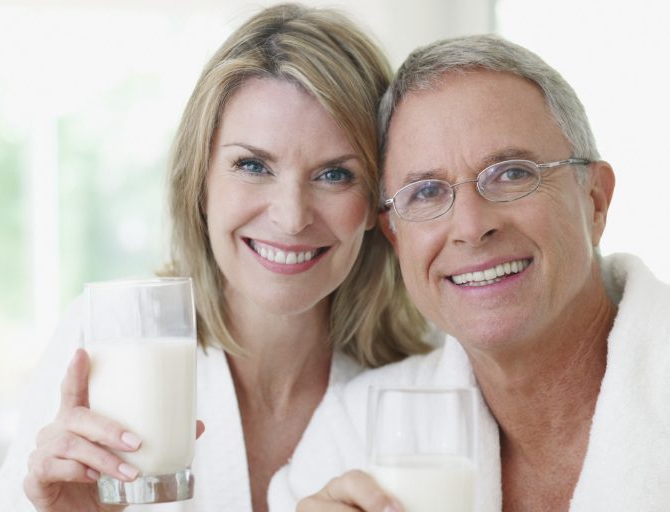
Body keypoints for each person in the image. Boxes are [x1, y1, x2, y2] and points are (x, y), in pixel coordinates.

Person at [0, 4, 433, 512]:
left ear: (377, 199)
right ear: (201, 180)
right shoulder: (109, 337)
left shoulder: (420, 386)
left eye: (334, 175)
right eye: (253, 165)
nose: (289, 217)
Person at [269, 34, 670, 512]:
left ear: (595, 201)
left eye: (512, 173)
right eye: (426, 192)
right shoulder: (355, 433)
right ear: (395, 238)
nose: (471, 227)